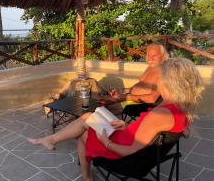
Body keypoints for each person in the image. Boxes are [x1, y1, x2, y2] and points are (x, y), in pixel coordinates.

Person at [29, 58, 203, 181]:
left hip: (125, 156)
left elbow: (131, 152)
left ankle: (85, 176)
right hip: (133, 140)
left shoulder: (162, 113)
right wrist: (125, 125)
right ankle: (51, 140)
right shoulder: (181, 107)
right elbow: (149, 133)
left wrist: (106, 142)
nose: (157, 82)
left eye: (160, 78)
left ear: (169, 82)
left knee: (83, 131)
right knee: (89, 117)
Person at [104, 44, 169, 114]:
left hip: (141, 105)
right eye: (149, 56)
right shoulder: (151, 67)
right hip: (130, 98)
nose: (151, 59)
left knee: (106, 108)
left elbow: (152, 99)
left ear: (163, 56)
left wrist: (125, 97)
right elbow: (141, 85)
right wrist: (121, 90)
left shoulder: (164, 72)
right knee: (104, 101)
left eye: (154, 55)